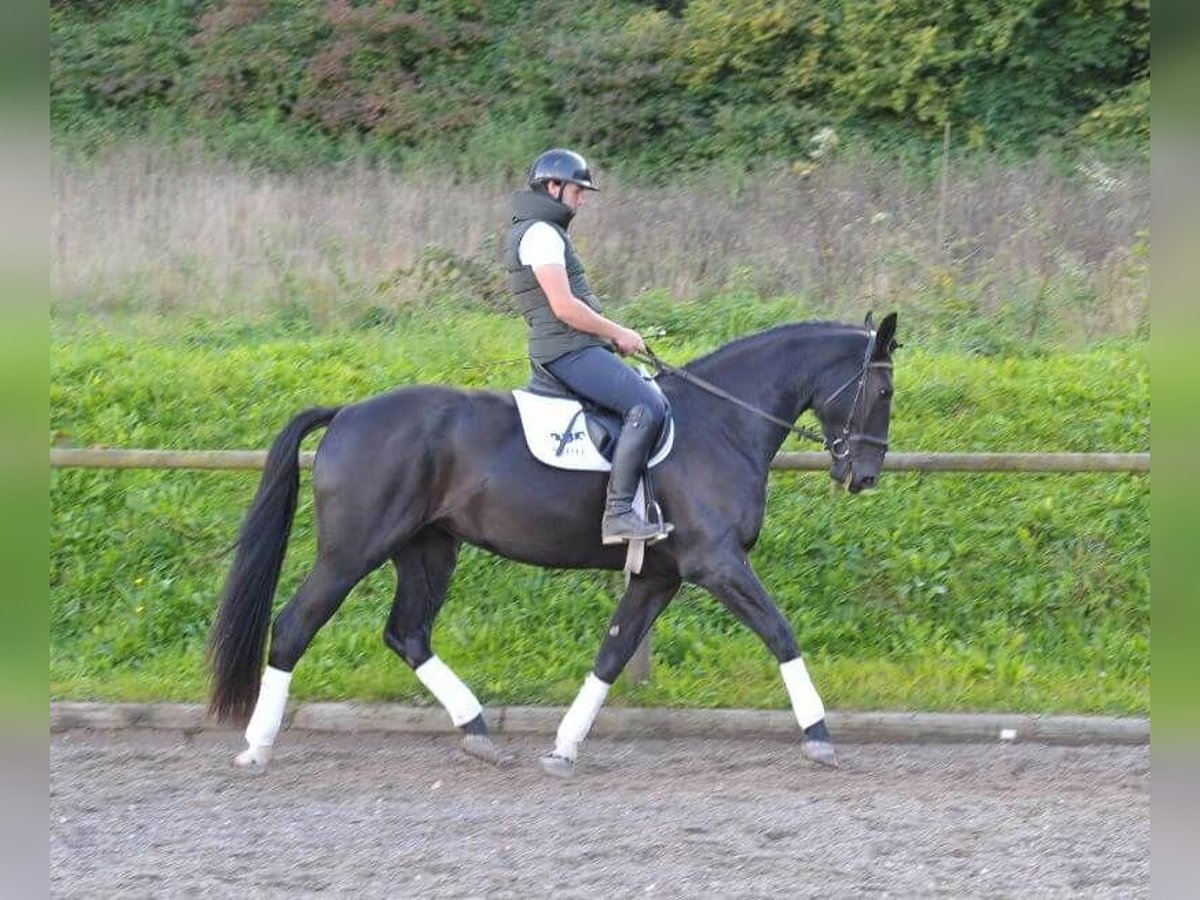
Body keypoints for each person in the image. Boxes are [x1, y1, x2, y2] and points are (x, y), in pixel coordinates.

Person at [504, 148, 673, 545]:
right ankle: (617, 514)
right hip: (567, 350)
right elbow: (564, 307)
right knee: (646, 406)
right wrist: (617, 332)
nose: (582, 199)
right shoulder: (541, 234)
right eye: (578, 190)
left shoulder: (545, 231)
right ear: (553, 186)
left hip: (574, 346)